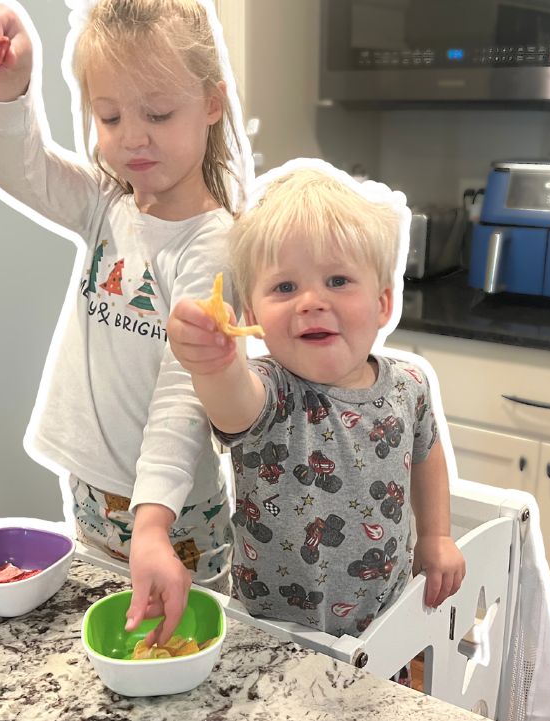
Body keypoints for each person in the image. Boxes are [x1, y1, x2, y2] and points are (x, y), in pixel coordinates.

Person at [0, 0, 248, 645]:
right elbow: (18, 166)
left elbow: (183, 395)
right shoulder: (105, 202)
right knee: (116, 641)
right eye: (109, 116)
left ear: (212, 104)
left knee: (177, 647)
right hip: (93, 493)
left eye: (158, 113)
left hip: (174, 516)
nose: (132, 137)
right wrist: (7, 85)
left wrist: (150, 525)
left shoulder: (213, 246)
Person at [167, 164, 466, 636]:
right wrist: (214, 363)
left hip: (382, 623)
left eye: (338, 281)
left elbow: (427, 458)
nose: (311, 301)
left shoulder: (410, 385)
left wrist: (436, 535)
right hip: (273, 631)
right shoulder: (270, 388)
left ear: (383, 303)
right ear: (252, 315)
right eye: (285, 287)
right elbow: (231, 401)